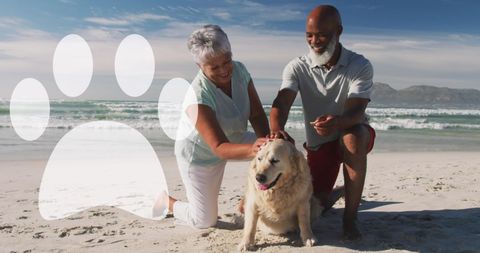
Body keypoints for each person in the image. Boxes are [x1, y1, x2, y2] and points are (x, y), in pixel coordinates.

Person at [269, 5, 376, 240]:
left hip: (351, 132)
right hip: (319, 142)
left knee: (352, 137)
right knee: (316, 204)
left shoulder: (359, 65)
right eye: (309, 35)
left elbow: (357, 111)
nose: (315, 41)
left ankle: (350, 219)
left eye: (322, 35)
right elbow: (282, 102)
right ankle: (338, 192)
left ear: (339, 31)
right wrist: (277, 131)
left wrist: (338, 123)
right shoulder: (297, 66)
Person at [168, 24, 270, 228]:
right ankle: (167, 202)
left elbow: (257, 114)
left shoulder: (240, 70)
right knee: (204, 221)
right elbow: (219, 148)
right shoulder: (197, 96)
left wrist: (269, 144)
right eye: (215, 67)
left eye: (227, 61)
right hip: (201, 157)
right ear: (200, 67)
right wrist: (256, 150)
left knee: (281, 153)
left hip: (236, 138)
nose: (224, 70)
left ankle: (252, 197)